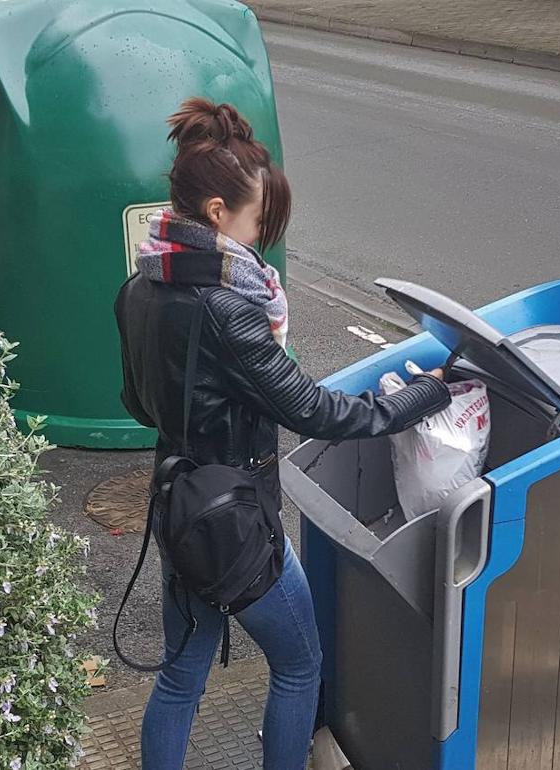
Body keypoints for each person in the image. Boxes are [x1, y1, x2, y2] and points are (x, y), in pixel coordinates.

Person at [114, 97, 452, 770]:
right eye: (255, 219)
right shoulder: (229, 311)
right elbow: (319, 415)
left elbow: (138, 403)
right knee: (301, 663)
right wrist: (425, 395)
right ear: (217, 215)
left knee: (182, 674)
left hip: (178, 507)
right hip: (237, 523)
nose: (261, 234)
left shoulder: (141, 287)